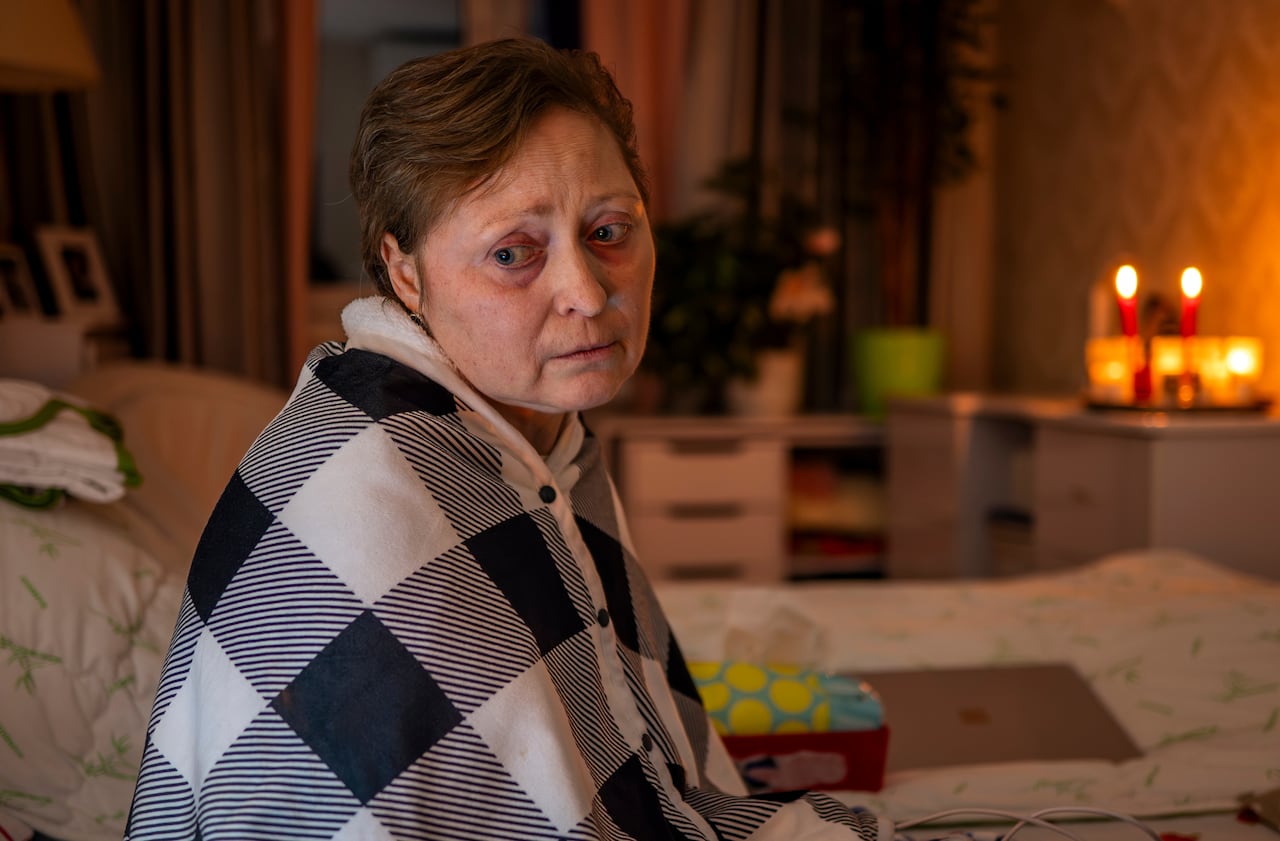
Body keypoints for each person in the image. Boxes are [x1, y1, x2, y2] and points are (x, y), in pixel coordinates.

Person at [124, 37, 886, 840]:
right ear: (405, 273)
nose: (587, 295)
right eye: (514, 253)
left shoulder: (533, 442)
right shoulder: (366, 489)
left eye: (610, 231)